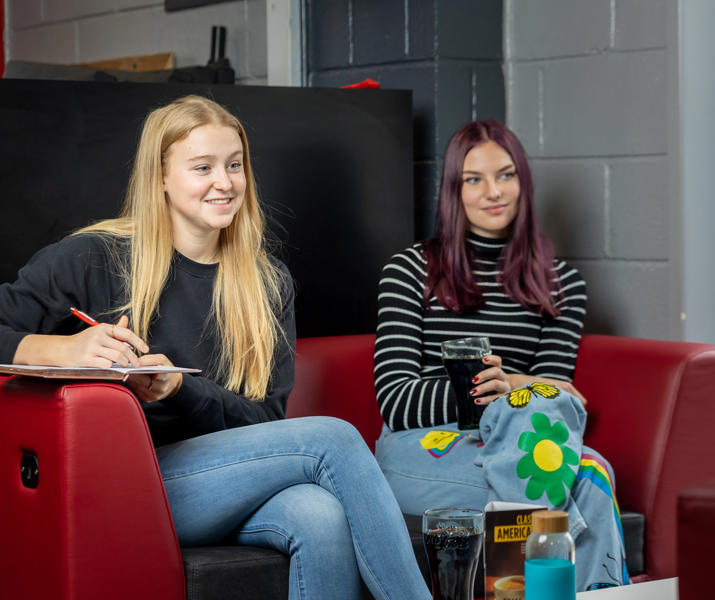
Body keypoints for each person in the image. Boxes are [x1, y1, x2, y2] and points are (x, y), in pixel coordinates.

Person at [0, 95, 431, 600]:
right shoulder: (92, 256)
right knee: (333, 438)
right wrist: (65, 351)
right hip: (125, 483)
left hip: (220, 483)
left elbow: (268, 422)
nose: (224, 183)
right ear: (160, 177)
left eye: (234, 165)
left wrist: (180, 390)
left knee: (320, 516)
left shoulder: (267, 282)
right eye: (202, 167)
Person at [373, 119, 629, 592]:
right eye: (474, 179)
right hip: (423, 449)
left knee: (578, 460)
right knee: (589, 476)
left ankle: (515, 584)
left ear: (523, 182)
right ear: (454, 190)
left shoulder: (561, 285)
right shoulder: (410, 270)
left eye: (505, 175)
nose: (493, 191)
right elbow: (397, 401)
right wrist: (504, 389)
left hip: (523, 445)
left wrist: (510, 383)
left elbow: (552, 403)